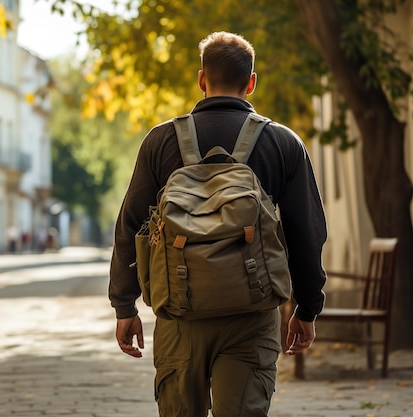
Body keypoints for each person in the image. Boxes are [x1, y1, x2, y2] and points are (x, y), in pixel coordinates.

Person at [109, 31, 327, 417]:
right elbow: (306, 232)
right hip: (251, 315)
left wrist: (124, 306)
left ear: (201, 79)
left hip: (179, 313)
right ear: (251, 82)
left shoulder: (161, 141)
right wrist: (307, 308)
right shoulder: (282, 142)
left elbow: (131, 226)